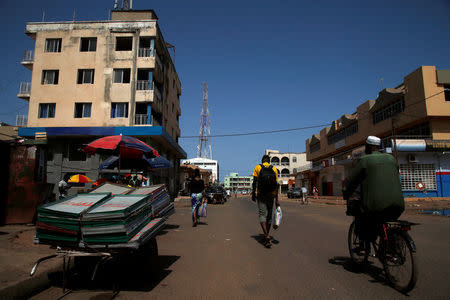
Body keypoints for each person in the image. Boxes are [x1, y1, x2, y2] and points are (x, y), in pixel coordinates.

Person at [343, 135, 405, 247]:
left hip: (375, 205)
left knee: (363, 218)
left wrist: (346, 193)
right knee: (387, 221)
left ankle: (362, 246)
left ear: (368, 147)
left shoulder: (364, 160)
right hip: (398, 204)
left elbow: (351, 182)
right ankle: (391, 245)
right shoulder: (391, 158)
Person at [251, 155, 280, 248]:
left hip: (261, 194)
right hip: (271, 195)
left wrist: (253, 194)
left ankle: (266, 235)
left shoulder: (258, 167)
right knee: (269, 216)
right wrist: (277, 200)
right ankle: (267, 234)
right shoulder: (274, 169)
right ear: (269, 161)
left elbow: (254, 182)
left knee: (262, 214)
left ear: (262, 161)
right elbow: (276, 185)